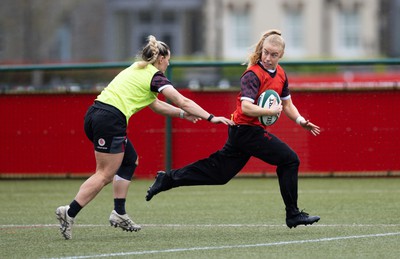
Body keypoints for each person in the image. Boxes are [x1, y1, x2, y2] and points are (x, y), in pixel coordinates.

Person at [55, 35, 234, 240]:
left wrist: (183, 115)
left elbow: (156, 104)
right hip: (110, 119)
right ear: (160, 59)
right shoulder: (155, 76)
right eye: (168, 59)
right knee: (104, 174)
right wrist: (211, 117)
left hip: (95, 115)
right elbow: (181, 100)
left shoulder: (137, 68)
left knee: (130, 160)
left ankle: (119, 212)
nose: (168, 63)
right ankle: (69, 212)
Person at [145, 29, 321, 229]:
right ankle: (293, 214)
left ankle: (167, 179)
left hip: (245, 133)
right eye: (265, 52)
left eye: (273, 55)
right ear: (261, 50)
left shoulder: (280, 74)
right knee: (289, 160)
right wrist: (268, 110)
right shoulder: (252, 75)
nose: (268, 58)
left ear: (281, 56)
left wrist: (300, 121)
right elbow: (246, 107)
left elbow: (287, 104)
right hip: (246, 130)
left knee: (219, 174)